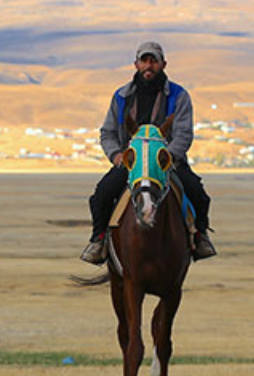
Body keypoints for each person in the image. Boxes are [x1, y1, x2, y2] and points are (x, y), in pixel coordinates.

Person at [81, 41, 216, 264]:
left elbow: (183, 134)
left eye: (153, 61)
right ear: (136, 64)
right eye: (144, 61)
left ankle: (200, 237)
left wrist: (168, 157)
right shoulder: (121, 97)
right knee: (102, 194)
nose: (148, 66)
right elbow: (108, 132)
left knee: (197, 193)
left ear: (163, 64)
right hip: (132, 163)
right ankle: (98, 241)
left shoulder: (179, 96)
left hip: (167, 163)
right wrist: (116, 155)